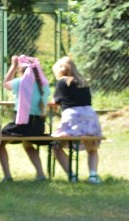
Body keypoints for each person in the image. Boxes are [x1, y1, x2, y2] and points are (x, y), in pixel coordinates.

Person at [49, 56, 102, 184]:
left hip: (73, 117)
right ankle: (93, 175)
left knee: (56, 145)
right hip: (90, 117)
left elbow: (56, 101)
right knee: (92, 147)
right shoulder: (83, 81)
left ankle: (72, 175)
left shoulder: (62, 82)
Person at [0, 55, 51, 182]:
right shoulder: (44, 84)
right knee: (28, 144)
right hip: (38, 126)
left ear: (21, 70)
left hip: (21, 125)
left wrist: (13, 65)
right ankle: (40, 174)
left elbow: (5, 84)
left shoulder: (20, 82)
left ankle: (7, 175)